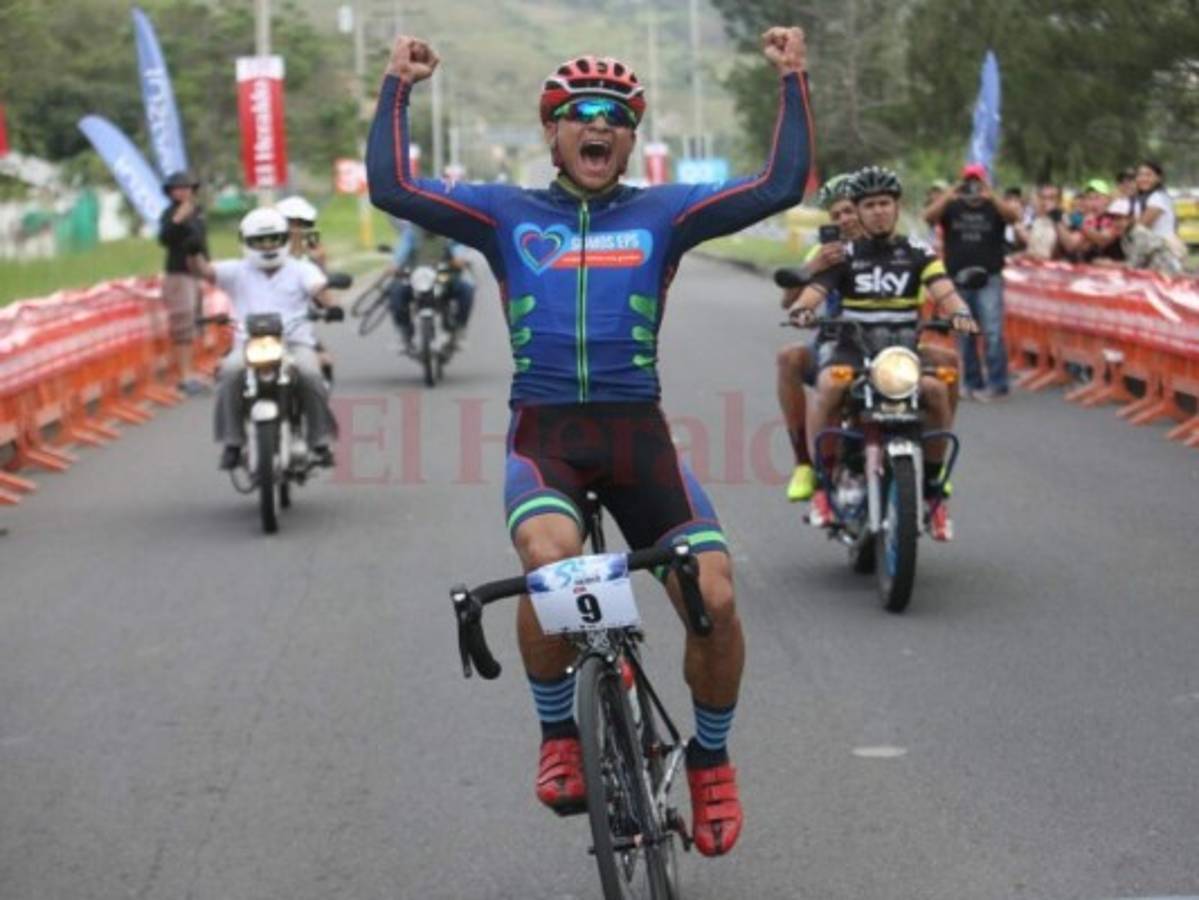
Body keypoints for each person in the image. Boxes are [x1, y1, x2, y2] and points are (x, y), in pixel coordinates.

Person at [367, 27, 813, 856]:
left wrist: (792, 79)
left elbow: (780, 184)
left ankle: (710, 761)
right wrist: (397, 84)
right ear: (552, 131)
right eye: (578, 114)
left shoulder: (665, 211)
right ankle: (559, 738)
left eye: (614, 115)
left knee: (712, 598)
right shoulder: (505, 213)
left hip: (637, 438)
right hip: (548, 439)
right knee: (549, 566)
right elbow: (391, 187)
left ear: (631, 137)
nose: (596, 125)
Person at [787, 166, 978, 541]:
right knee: (828, 384)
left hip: (901, 355)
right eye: (869, 205)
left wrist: (960, 314)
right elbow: (814, 294)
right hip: (852, 353)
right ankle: (823, 485)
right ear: (857, 210)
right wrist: (803, 310)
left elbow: (946, 292)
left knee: (938, 390)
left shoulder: (919, 253)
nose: (878, 211)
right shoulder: (841, 256)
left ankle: (934, 490)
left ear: (897, 206)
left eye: (884, 203)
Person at [190, 208, 342, 470]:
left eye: (273, 239)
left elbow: (320, 289)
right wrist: (191, 247)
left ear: (284, 239)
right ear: (247, 243)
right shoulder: (236, 271)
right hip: (248, 344)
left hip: (294, 343)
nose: (267, 246)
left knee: (310, 374)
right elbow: (203, 271)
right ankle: (232, 442)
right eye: (260, 241)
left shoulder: (301, 269)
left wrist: (331, 305)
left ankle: (320, 441)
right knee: (229, 372)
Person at [777, 173, 862, 502]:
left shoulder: (889, 248)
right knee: (788, 357)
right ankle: (805, 463)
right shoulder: (825, 251)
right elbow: (788, 302)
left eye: (849, 211)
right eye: (836, 215)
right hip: (834, 340)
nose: (844, 219)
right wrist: (814, 265)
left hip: (884, 341)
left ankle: (930, 476)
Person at [924, 163, 1017, 401]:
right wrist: (951, 193)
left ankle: (997, 384)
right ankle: (972, 382)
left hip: (990, 277)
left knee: (993, 332)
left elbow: (1013, 217)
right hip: (959, 278)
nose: (973, 188)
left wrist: (991, 194)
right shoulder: (952, 206)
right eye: (969, 182)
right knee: (964, 333)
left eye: (977, 182)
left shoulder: (993, 206)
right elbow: (929, 217)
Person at [386, 223, 476, 351]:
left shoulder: (449, 231)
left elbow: (458, 249)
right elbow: (402, 250)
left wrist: (459, 259)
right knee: (396, 291)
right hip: (417, 277)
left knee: (467, 290)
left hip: (444, 277)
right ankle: (404, 332)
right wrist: (394, 265)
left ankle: (459, 329)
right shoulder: (412, 233)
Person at [158, 171, 209, 394]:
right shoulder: (170, 214)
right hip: (179, 273)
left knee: (194, 324)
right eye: (178, 188)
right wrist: (178, 218)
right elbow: (164, 238)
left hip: (195, 273)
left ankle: (192, 371)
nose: (183, 191)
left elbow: (200, 242)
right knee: (183, 323)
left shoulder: (196, 213)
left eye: (187, 187)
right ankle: (184, 375)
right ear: (170, 192)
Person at [1124, 160, 1183, 273]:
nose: (1143, 179)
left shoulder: (1158, 198)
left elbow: (1141, 225)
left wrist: (1127, 225)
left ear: (1158, 178)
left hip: (1164, 252)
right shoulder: (1141, 198)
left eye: (1148, 175)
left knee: (1138, 231)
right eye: (1140, 175)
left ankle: (1132, 266)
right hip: (1151, 249)